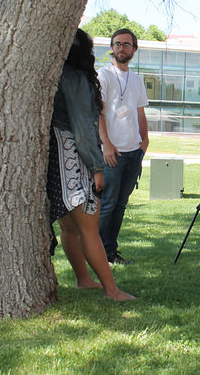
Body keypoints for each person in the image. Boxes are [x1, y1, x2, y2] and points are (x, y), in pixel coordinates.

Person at [47, 28, 135, 301]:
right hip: (73, 157)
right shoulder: (75, 78)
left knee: (69, 228)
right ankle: (111, 290)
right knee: (88, 228)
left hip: (55, 157)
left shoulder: (57, 74)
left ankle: (84, 280)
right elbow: (84, 129)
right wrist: (97, 169)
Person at [97, 28, 149, 265]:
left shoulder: (137, 79)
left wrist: (144, 140)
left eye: (126, 44)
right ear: (111, 48)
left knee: (120, 205)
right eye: (117, 44)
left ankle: (110, 251)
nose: (121, 48)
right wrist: (106, 144)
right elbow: (98, 112)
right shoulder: (104, 76)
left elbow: (140, 112)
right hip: (112, 152)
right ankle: (95, 252)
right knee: (107, 203)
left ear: (134, 50)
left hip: (132, 152)